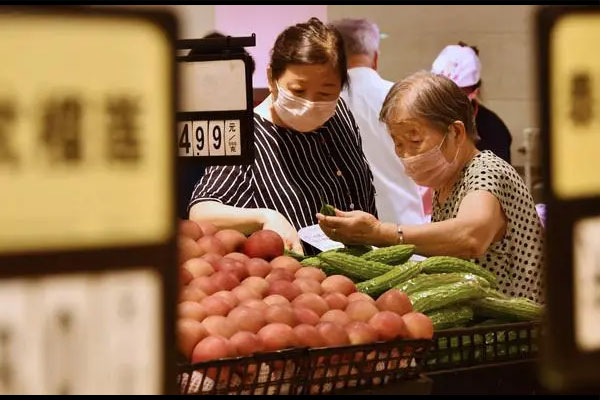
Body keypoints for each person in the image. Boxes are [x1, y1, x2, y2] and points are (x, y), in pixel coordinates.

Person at [317, 71, 544, 302]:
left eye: (415, 141)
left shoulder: (486, 170)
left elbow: (471, 237)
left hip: (519, 329)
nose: (405, 154)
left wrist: (379, 233)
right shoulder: (447, 180)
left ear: (455, 132)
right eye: (398, 143)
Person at [189, 18, 377, 254]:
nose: (311, 103)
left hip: (368, 268)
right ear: (272, 79)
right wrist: (265, 217)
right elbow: (202, 210)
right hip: (302, 282)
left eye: (326, 92)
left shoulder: (339, 114)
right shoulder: (247, 134)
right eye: (298, 91)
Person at [331, 18, 428, 225]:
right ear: (375, 58)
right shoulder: (407, 97)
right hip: (405, 227)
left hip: (343, 229)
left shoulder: (324, 100)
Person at [432, 42, 513, 164]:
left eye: (458, 92)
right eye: (442, 90)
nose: (448, 99)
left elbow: (497, 179)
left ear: (474, 91)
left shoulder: (493, 130)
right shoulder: (421, 119)